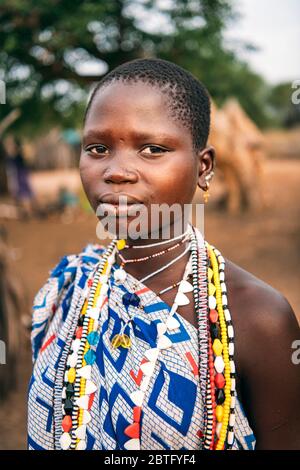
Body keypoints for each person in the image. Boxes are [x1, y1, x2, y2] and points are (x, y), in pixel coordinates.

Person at [27, 58, 300, 451]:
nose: (117, 171)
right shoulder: (67, 289)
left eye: (152, 149)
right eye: (98, 148)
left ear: (203, 167)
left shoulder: (259, 319)